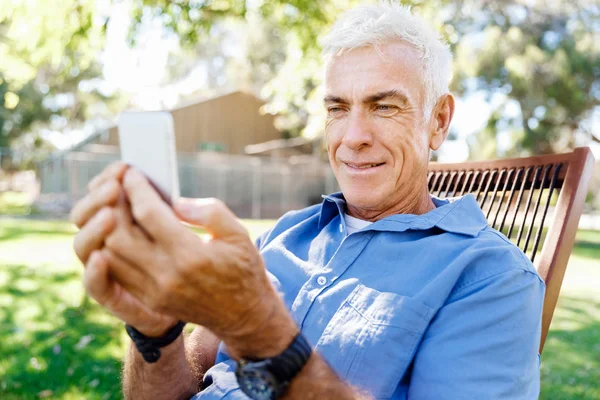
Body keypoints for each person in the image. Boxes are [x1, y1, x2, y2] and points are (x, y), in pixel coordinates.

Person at [71, 3, 544, 399]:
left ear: (438, 121)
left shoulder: (489, 277)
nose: (353, 137)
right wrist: (156, 331)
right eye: (337, 108)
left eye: (384, 106)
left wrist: (261, 333)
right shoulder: (287, 232)